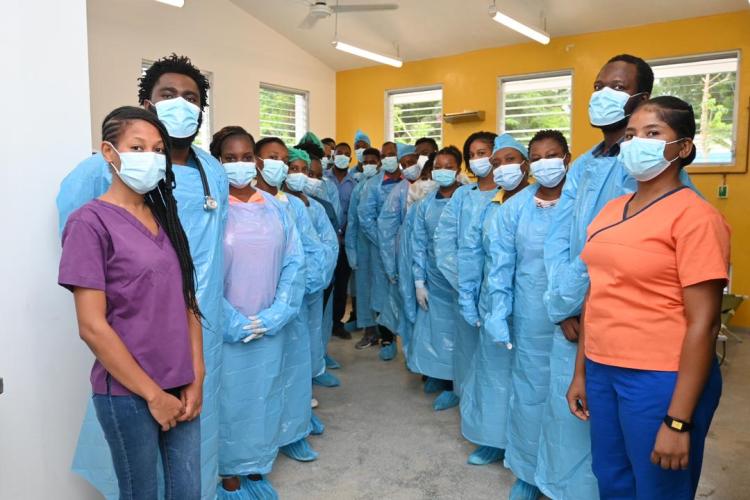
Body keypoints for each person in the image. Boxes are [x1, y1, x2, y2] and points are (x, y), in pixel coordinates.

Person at [57, 54, 228, 500]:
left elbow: (188, 299)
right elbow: (92, 326)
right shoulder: (88, 222)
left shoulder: (164, 215)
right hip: (130, 392)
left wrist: (196, 376)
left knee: (187, 491)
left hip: (181, 381)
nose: (149, 159)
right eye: (136, 149)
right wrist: (154, 395)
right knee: (141, 493)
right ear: (109, 154)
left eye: (156, 151)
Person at [540, 54, 697, 500]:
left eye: (616, 86)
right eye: (597, 85)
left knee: (647, 468)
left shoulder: (674, 196)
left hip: (645, 355)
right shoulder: (586, 165)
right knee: (593, 444)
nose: (602, 94)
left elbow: (626, 268)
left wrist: (679, 419)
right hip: (585, 328)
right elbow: (564, 238)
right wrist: (563, 306)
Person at [568, 96, 728, 500]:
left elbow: (704, 324)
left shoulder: (696, 218)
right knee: (612, 477)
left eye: (653, 133)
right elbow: (596, 295)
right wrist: (582, 373)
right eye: (631, 135)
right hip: (603, 369)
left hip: (662, 378)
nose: (637, 143)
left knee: (660, 487)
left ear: (683, 147)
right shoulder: (611, 210)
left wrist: (677, 422)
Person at [210, 127, 305, 499]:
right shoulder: (210, 209)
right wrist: (229, 319)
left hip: (270, 326)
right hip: (227, 329)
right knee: (230, 399)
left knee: (265, 395)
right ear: (217, 163)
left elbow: (294, 264)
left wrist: (277, 314)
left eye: (246, 157)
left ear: (257, 161)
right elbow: (200, 272)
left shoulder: (277, 208)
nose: (240, 164)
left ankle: (256, 467)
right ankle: (230, 476)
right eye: (229, 159)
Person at [482, 130, 571, 498]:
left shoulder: (582, 204)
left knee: (571, 400)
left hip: (577, 323)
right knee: (531, 395)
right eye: (537, 157)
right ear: (530, 164)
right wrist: (499, 313)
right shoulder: (515, 209)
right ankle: (528, 471)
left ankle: (566, 477)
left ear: (568, 158)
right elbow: (500, 265)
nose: (544, 162)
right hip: (531, 317)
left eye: (553, 155)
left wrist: (574, 308)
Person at [455, 133, 529, 467]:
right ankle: (492, 439)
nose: (501, 168)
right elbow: (471, 254)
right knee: (493, 373)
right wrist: (468, 297)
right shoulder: (489, 206)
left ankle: (525, 453)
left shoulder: (540, 202)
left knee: (530, 381)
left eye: (510, 160)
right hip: (491, 304)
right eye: (496, 163)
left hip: (533, 308)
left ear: (526, 165)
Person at [252, 137, 326, 463]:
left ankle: (295, 430)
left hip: (292, 303)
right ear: (256, 161)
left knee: (294, 368)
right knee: (258, 374)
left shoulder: (293, 205)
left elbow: (312, 251)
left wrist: (300, 291)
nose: (280, 165)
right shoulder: (236, 203)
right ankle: (254, 443)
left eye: (284, 159)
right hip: (251, 303)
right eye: (272, 157)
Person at [434, 131, 498, 415]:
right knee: (466, 347)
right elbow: (445, 241)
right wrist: (466, 285)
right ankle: (461, 392)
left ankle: (490, 413)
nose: (477, 160)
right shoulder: (463, 195)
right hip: (465, 288)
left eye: (483, 153)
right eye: (472, 155)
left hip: (501, 291)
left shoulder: (514, 195)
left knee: (497, 355)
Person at [409, 146, 463, 409]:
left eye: (449, 166)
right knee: (435, 330)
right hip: (434, 279)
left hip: (462, 280)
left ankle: (457, 383)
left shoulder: (467, 200)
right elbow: (418, 244)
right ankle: (440, 375)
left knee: (460, 333)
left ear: (459, 170)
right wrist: (419, 282)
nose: (443, 171)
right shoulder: (424, 206)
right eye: (438, 166)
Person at [285, 148, 340, 389]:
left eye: (303, 170)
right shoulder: (278, 204)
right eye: (292, 169)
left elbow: (329, 244)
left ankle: (315, 369)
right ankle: (298, 388)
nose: (298, 175)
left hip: (315, 283)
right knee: (291, 338)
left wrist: (320, 275)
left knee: (313, 329)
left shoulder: (317, 207)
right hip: (288, 286)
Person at [376, 143, 422, 361]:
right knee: (405, 306)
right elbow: (386, 229)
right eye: (404, 164)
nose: (408, 167)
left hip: (431, 261)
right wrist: (391, 265)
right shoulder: (399, 191)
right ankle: (412, 355)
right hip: (405, 257)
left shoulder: (438, 187)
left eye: (411, 162)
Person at [358, 141, 404, 358]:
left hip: (408, 248)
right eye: (384, 155)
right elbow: (365, 217)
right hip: (381, 248)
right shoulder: (373, 185)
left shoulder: (410, 181)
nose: (388, 158)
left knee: (409, 292)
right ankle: (387, 338)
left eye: (392, 154)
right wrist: (384, 241)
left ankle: (408, 340)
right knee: (383, 292)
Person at [398, 156, 438, 363]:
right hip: (421, 269)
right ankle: (423, 362)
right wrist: (418, 281)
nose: (431, 180)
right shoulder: (415, 207)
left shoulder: (461, 199)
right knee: (420, 315)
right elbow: (413, 246)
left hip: (445, 276)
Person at [346, 148, 382, 348]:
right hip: (363, 247)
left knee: (384, 290)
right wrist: (351, 250)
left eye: (373, 161)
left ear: (379, 162)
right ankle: (369, 331)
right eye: (365, 161)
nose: (369, 164)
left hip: (383, 248)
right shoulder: (359, 188)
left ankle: (387, 334)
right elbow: (352, 220)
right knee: (365, 290)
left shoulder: (387, 185)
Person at [328, 141, 358, 339]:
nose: (343, 156)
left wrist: (345, 229)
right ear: (333, 155)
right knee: (325, 285)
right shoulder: (322, 179)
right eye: (340, 153)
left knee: (341, 284)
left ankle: (337, 323)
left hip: (345, 242)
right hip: (326, 241)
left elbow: (354, 213)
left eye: (347, 154)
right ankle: (323, 323)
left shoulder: (354, 184)